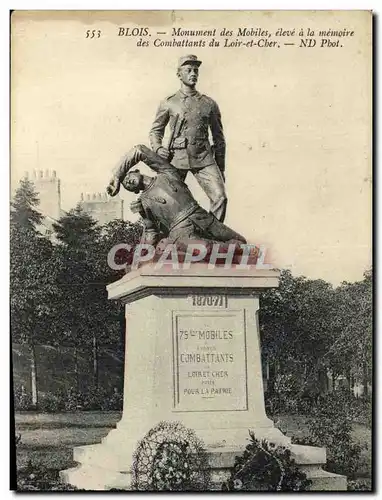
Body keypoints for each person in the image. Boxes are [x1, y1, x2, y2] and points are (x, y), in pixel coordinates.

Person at [107, 144, 245, 247]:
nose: (127, 181)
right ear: (134, 191)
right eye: (126, 185)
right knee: (205, 249)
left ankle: (236, 249)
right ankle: (234, 250)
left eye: (127, 177)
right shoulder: (142, 202)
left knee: (241, 241)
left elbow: (139, 150)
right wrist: (144, 252)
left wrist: (117, 176)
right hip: (181, 232)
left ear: (136, 170)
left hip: (201, 217)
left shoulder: (167, 173)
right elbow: (151, 231)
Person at [149, 55, 228, 222]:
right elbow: (156, 131)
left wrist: (221, 169)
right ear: (179, 74)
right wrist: (157, 148)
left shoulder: (209, 103)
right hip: (177, 159)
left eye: (196, 71)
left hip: (204, 158)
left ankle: (212, 234)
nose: (193, 74)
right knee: (166, 200)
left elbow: (219, 139)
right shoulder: (169, 103)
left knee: (220, 197)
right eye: (189, 70)